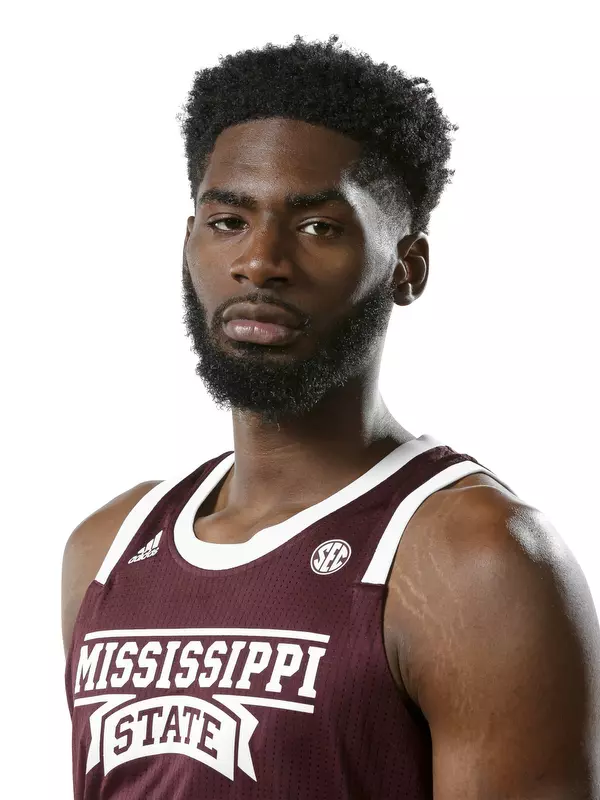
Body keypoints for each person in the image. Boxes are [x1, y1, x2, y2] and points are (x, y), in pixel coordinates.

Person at [61, 33, 600, 799]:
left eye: (319, 227)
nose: (261, 261)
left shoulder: (475, 560)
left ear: (406, 267)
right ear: (189, 242)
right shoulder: (107, 548)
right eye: (227, 222)